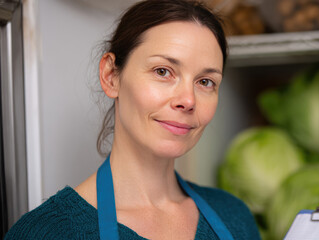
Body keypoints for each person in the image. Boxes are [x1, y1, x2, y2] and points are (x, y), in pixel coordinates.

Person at [5, 0, 261, 239]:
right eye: (163, 71)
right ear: (111, 76)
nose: (188, 100)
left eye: (205, 82)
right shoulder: (47, 232)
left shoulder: (234, 216)